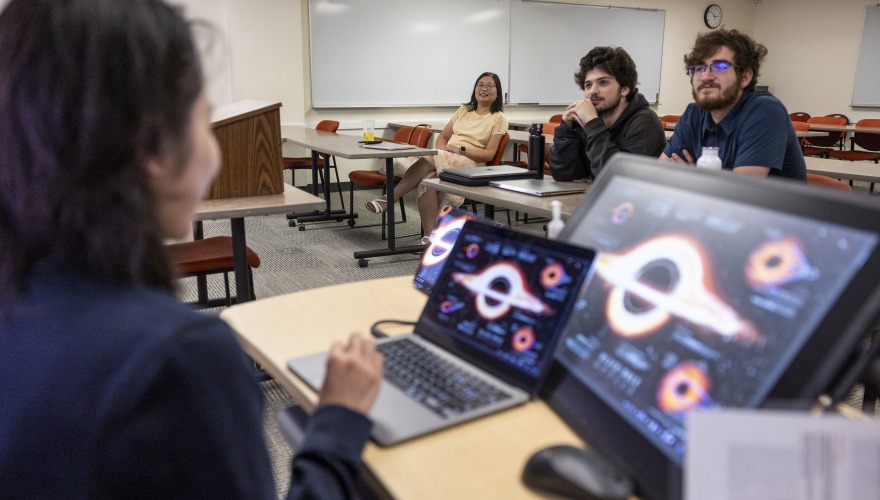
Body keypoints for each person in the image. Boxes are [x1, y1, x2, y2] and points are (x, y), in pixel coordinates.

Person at [0, 1, 383, 498]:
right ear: (152, 149)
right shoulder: (179, 359)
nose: (214, 154)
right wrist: (339, 420)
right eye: (205, 123)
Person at [364, 72, 509, 236]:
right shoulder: (463, 110)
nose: (484, 89)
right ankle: (429, 237)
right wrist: (443, 151)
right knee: (427, 182)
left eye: (490, 86)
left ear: (497, 91)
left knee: (429, 157)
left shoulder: (499, 118)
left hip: (472, 164)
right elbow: (443, 137)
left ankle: (391, 198)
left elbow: (489, 155)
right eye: (480, 85)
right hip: (449, 156)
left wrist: (460, 151)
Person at [660, 29, 806, 179]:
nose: (706, 76)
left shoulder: (767, 112)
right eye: (699, 68)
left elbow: (741, 189)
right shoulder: (693, 114)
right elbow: (659, 175)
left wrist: (693, 178)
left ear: (745, 77)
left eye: (720, 67)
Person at [548, 46, 666, 181]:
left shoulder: (645, 121)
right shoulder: (590, 120)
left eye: (603, 82)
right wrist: (566, 129)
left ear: (624, 89)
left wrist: (592, 124)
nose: (593, 91)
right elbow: (563, 173)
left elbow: (617, 178)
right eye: (588, 85)